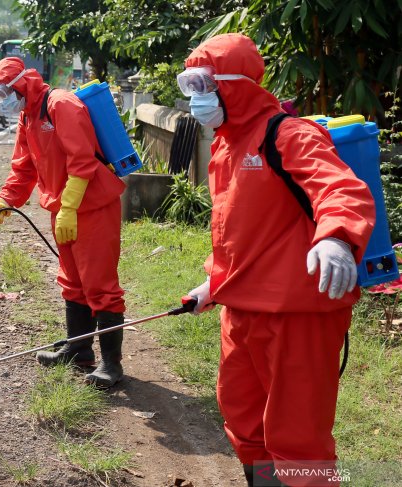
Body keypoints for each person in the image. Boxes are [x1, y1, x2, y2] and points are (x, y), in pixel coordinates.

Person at [179, 34, 375, 487]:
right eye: (192, 88)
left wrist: (337, 239)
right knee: (244, 419)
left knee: (297, 435)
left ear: (234, 85)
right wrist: (214, 283)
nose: (198, 100)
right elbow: (238, 234)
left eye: (205, 86)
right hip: (242, 309)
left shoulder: (288, 133)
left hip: (298, 312)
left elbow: (339, 189)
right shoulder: (226, 147)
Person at [0, 57, 126, 388]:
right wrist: (3, 202)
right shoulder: (27, 116)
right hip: (63, 208)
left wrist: (71, 206)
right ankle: (79, 350)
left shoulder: (60, 104)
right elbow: (23, 169)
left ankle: (112, 365)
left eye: (5, 92)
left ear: (21, 84)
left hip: (93, 206)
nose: (3, 100)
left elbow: (83, 160)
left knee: (100, 285)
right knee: (72, 281)